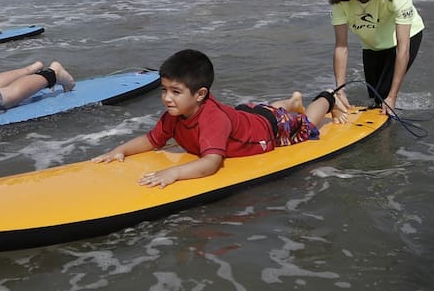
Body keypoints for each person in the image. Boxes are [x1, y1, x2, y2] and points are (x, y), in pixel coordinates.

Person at [92, 49, 338, 188]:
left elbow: (211, 163)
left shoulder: (212, 120)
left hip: (270, 129)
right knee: (267, 110)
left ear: (200, 94)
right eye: (164, 90)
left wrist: (173, 173)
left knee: (307, 125)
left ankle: (327, 98)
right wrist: (120, 150)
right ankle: (290, 103)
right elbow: (151, 140)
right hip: (245, 115)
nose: (167, 98)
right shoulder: (174, 115)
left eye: (175, 92)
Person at [329, 0, 425, 115]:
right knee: (374, 98)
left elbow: (403, 49)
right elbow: (341, 47)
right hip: (372, 43)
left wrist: (392, 97)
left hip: (403, 39)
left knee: (384, 99)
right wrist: (340, 91)